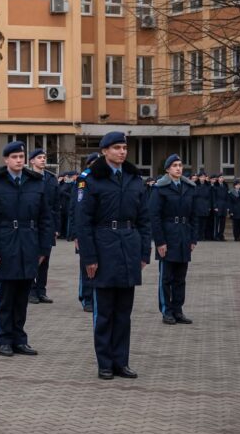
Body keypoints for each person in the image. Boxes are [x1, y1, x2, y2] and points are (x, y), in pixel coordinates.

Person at [77, 131, 151, 380]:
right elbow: (83, 222)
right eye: (117, 148)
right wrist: (89, 258)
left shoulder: (133, 178)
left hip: (129, 246)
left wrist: (144, 253)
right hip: (104, 246)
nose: (122, 152)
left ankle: (121, 362)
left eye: (124, 147)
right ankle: (105, 363)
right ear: (105, 151)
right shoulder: (91, 179)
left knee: (124, 312)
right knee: (105, 312)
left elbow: (144, 218)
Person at [0, 141, 53, 357]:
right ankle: (4, 339)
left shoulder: (36, 183)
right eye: (14, 157)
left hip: (29, 244)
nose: (19, 160)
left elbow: (45, 218)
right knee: (7, 295)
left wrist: (43, 248)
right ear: (6, 160)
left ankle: (20, 339)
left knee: (22, 296)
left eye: (21, 156)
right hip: (6, 244)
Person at [149, 154, 197, 325]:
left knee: (180, 278)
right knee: (167, 277)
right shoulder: (160, 188)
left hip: (184, 236)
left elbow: (194, 215)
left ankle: (178, 310)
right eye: (174, 165)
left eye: (180, 165)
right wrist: (160, 242)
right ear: (167, 169)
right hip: (168, 236)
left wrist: (193, 239)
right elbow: (154, 217)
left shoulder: (189, 187)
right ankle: (166, 311)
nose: (178, 168)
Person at [27, 149, 58, 304]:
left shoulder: (51, 179)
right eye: (39, 157)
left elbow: (57, 205)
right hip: (32, 224)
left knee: (45, 259)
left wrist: (56, 228)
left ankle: (41, 290)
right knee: (32, 258)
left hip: (48, 224)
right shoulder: (27, 178)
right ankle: (31, 291)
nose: (43, 160)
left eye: (44, 157)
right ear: (32, 161)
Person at [74, 153, 100, 312]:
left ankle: (96, 296)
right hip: (85, 230)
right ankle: (86, 297)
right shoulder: (83, 180)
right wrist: (75, 234)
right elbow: (76, 209)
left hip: (101, 230)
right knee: (86, 265)